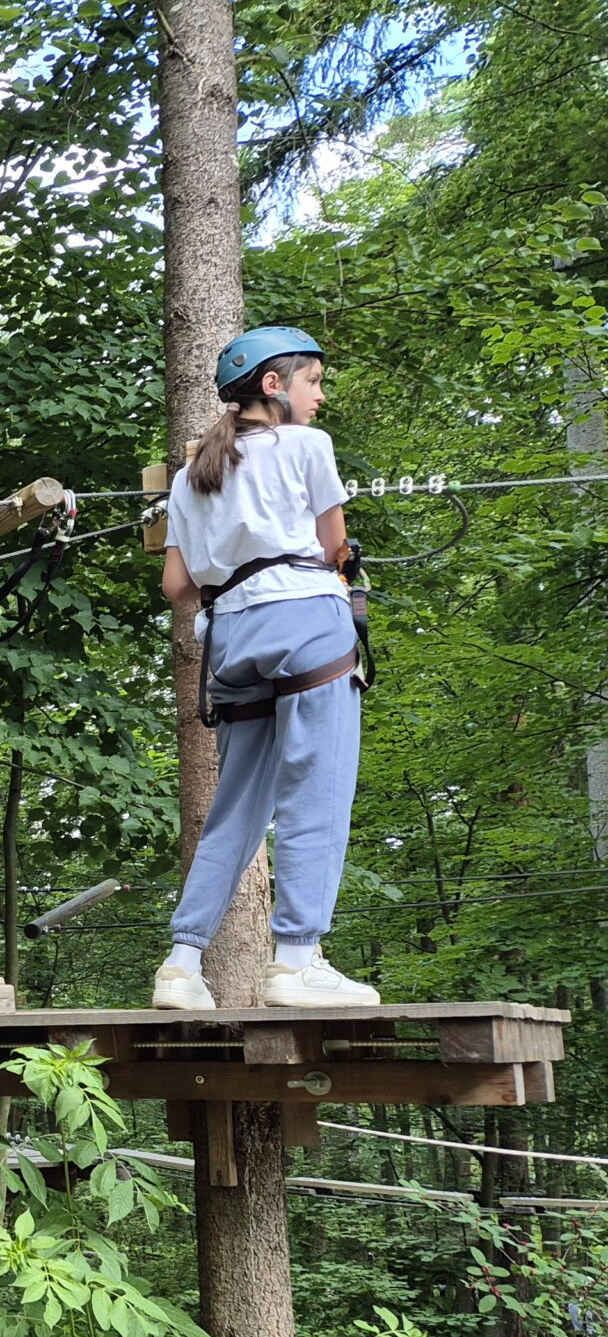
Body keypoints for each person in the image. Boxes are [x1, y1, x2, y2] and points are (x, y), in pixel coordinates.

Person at [153, 327, 375, 1011]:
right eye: (313, 380)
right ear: (273, 386)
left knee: (238, 805)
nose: (321, 394)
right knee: (318, 791)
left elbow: (176, 585)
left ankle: (182, 964)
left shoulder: (193, 475)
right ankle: (298, 960)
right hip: (308, 622)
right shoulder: (309, 447)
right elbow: (333, 545)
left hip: (233, 638)